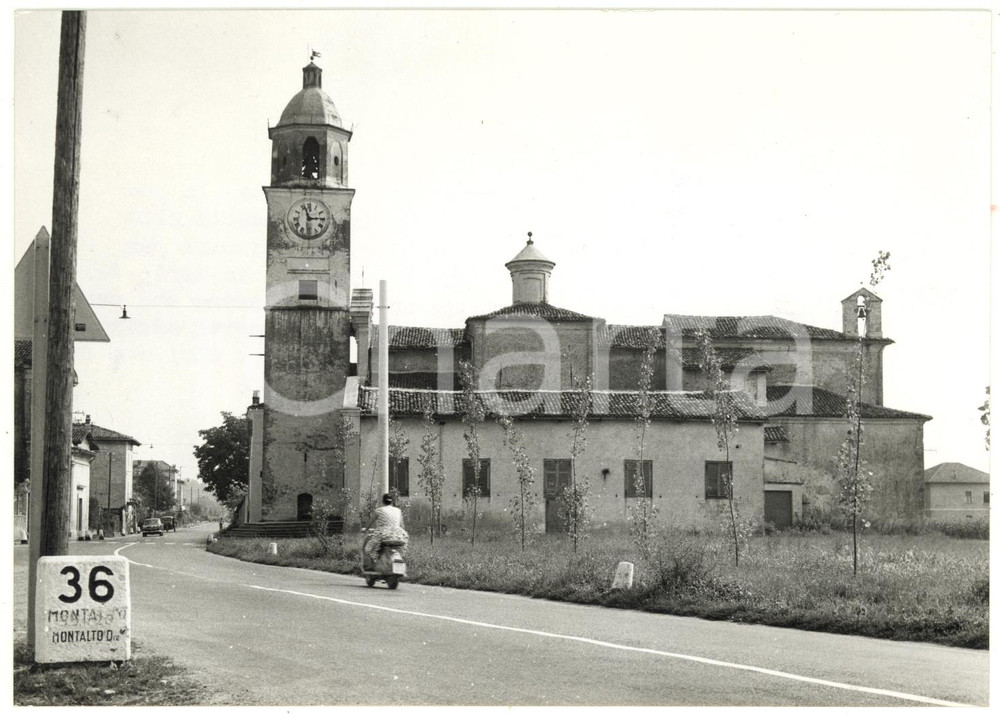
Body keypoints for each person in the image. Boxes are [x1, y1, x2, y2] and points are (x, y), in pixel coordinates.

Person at [364, 493, 409, 564]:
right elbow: (402, 526)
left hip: (384, 535)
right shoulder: (398, 511)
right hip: (399, 536)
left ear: (383, 501)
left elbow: (370, 523)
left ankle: (376, 564)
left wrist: (365, 529)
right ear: (391, 502)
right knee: (400, 551)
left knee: (368, 549)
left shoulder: (378, 510)